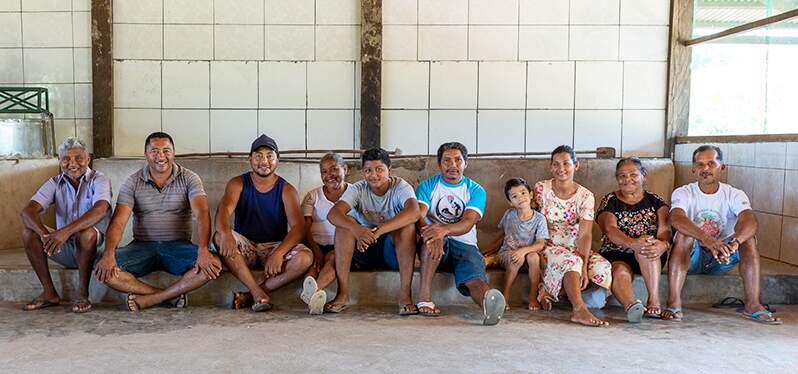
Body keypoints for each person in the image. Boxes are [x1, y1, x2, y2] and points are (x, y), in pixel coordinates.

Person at [95, 132, 222, 311]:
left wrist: (203, 249)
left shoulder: (189, 178)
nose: (160, 156)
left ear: (174, 153)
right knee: (104, 271)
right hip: (142, 246)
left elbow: (201, 213)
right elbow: (118, 222)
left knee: (213, 265)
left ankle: (153, 298)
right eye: (154, 151)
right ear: (146, 154)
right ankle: (165, 296)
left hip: (178, 247)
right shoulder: (133, 181)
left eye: (166, 150)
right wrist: (109, 253)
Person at [665, 145, 780, 324]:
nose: (705, 169)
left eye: (711, 163)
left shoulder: (734, 194)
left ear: (722, 167)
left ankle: (753, 304)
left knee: (748, 239)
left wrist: (734, 244)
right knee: (683, 234)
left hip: (723, 257)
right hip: (693, 258)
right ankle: (673, 303)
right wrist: (708, 240)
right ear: (694, 169)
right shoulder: (684, 192)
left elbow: (749, 221)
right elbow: (676, 217)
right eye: (700, 164)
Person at [213, 134, 314, 313]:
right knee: (220, 237)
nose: (264, 161)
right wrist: (226, 233)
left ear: (277, 160)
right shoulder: (238, 183)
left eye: (270, 155)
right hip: (246, 248)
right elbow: (223, 211)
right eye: (258, 155)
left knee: (305, 258)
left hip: (274, 248)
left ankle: (253, 294)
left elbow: (298, 228)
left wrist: (279, 253)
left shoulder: (287, 189)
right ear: (250, 159)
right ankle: (255, 290)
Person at [416, 142, 506, 326]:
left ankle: (488, 304)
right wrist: (434, 235)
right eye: (447, 160)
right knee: (430, 243)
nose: (453, 165)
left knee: (474, 277)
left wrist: (443, 230)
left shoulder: (476, 190)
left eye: (458, 160)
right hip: (436, 241)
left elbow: (468, 222)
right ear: (440, 164)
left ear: (466, 163)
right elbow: (419, 216)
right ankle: (424, 296)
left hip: (466, 245)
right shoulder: (427, 186)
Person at [20, 137, 112, 313]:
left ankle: (83, 293)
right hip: (65, 248)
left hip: (95, 251)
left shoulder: (99, 180)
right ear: (59, 161)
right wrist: (44, 235)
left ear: (88, 159)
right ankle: (49, 293)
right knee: (28, 233)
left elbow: (100, 209)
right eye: (66, 159)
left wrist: (64, 232)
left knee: (86, 233)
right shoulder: (55, 183)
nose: (72, 164)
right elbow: (28, 211)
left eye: (78, 158)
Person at [325, 148, 420, 315]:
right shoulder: (358, 189)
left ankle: (405, 296)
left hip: (393, 253)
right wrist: (358, 229)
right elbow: (333, 214)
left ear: (389, 170)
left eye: (379, 170)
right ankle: (343, 294)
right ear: (363, 172)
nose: (374, 175)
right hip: (365, 250)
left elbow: (414, 212)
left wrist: (378, 231)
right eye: (368, 170)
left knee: (406, 227)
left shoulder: (400, 187)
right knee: (343, 227)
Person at [534, 145, 612, 327]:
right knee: (571, 262)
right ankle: (579, 309)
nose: (561, 169)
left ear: (576, 165)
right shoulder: (541, 189)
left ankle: (559, 292)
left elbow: (585, 235)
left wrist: (584, 264)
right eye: (556, 164)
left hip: (575, 245)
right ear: (550, 166)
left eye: (566, 164)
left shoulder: (585, 196)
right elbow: (529, 218)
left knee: (602, 267)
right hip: (548, 245)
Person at [596, 157, 670, 323]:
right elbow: (610, 229)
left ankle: (654, 300)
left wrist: (662, 245)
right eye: (622, 176)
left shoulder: (656, 201)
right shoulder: (610, 201)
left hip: (651, 253)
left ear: (644, 175)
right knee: (619, 271)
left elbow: (665, 230)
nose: (627, 179)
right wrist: (632, 243)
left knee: (646, 247)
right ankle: (631, 306)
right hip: (617, 252)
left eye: (633, 175)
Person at [299, 153, 353, 314]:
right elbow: (305, 226)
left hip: (341, 246)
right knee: (313, 266)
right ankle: (313, 296)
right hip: (314, 244)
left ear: (345, 169)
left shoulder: (355, 192)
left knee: (332, 260)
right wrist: (315, 250)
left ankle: (312, 294)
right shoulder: (313, 196)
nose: (329, 175)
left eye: (334, 169)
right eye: (324, 171)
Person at [484, 178, 548, 311]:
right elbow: (501, 236)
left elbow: (541, 243)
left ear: (531, 195)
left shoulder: (539, 219)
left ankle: (532, 297)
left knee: (534, 257)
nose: (520, 198)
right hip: (507, 255)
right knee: (515, 259)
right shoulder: (509, 215)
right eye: (514, 196)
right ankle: (505, 296)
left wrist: (523, 251)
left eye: (523, 193)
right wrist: (486, 251)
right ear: (510, 202)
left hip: (527, 257)